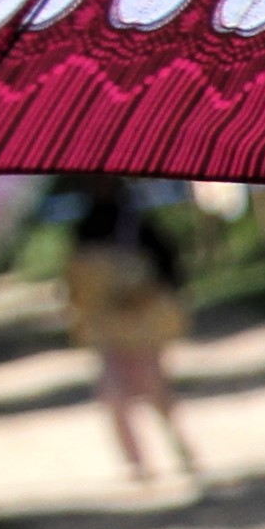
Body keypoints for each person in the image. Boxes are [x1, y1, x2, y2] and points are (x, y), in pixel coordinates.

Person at [55, 180, 201, 485]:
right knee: (114, 397)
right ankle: (138, 464)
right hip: (109, 331)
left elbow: (169, 272)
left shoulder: (139, 227)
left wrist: (140, 294)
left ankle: (181, 448)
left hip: (141, 328)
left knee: (155, 392)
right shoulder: (85, 228)